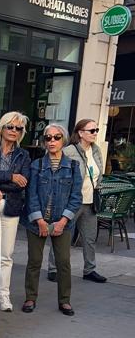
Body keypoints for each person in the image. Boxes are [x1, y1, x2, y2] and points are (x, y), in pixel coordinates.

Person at [22, 125, 80, 315]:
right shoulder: (36, 165)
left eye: (56, 137)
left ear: (63, 140)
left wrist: (63, 221)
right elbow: (31, 195)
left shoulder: (73, 166)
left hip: (62, 222)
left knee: (63, 262)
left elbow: (76, 197)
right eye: (48, 138)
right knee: (34, 261)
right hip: (37, 222)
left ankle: (65, 300)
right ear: (44, 141)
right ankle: (30, 298)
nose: (52, 141)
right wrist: (39, 220)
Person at [0, 112, 32, 311]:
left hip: (11, 206)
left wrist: (0, 182)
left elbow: (23, 183)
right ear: (2, 127)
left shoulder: (24, 155)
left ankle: (4, 296)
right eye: (10, 126)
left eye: (19, 128)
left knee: (6, 255)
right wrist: (11, 176)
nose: (14, 131)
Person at [61, 118, 107, 284]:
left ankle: (90, 270)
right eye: (92, 131)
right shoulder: (69, 151)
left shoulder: (96, 151)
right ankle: (54, 268)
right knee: (63, 237)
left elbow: (98, 174)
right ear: (80, 133)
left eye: (96, 130)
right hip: (72, 202)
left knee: (89, 238)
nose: (95, 134)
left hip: (90, 202)